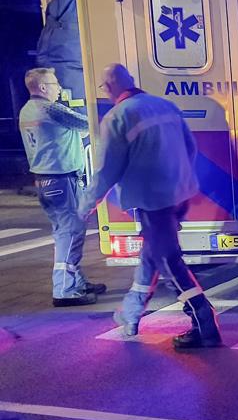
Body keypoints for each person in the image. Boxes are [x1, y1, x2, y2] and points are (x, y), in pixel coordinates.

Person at [79, 63, 222, 349]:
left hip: (152, 201)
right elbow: (190, 148)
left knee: (169, 262)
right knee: (151, 254)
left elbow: (107, 170)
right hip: (179, 196)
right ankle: (130, 314)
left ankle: (205, 322)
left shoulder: (117, 117)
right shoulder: (164, 105)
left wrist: (87, 203)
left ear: (108, 88)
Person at [19, 67, 106, 307]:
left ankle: (76, 282)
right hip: (61, 180)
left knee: (63, 232)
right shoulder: (51, 109)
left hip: (46, 180)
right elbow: (86, 124)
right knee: (70, 232)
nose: (60, 88)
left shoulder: (27, 110)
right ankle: (65, 289)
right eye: (55, 84)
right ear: (43, 87)